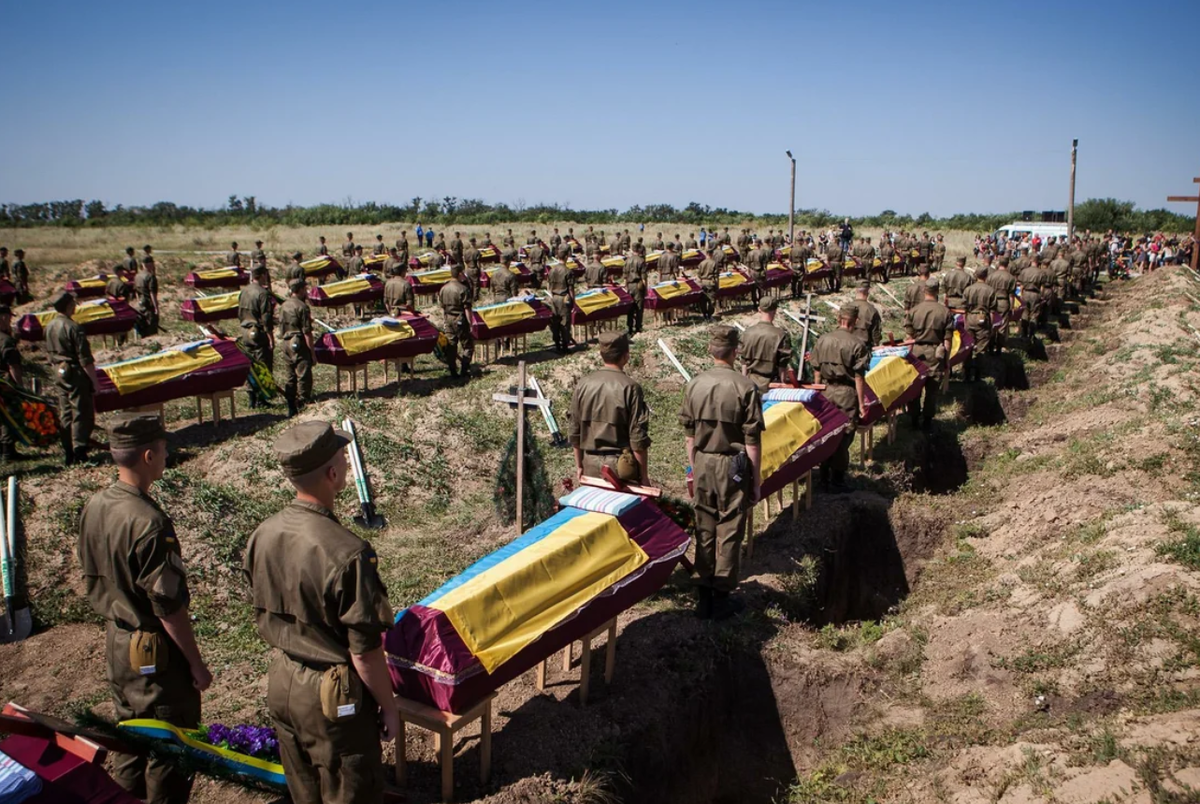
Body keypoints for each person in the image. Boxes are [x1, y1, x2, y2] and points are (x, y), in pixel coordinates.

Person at [244, 421, 396, 804]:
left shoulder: (264, 533)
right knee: (350, 789)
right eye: (342, 459)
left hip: (282, 679)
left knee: (304, 788)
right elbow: (363, 650)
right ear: (332, 473)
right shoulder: (348, 552)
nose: (346, 464)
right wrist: (389, 707)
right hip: (333, 696)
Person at [78, 412, 210, 804]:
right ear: (149, 456)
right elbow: (168, 607)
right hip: (154, 651)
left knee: (130, 737)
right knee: (170, 744)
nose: (168, 455)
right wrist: (196, 664)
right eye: (165, 449)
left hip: (118, 643)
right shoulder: (149, 522)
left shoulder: (97, 505)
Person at [679, 325, 764, 620]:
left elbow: (689, 436)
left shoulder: (694, 385)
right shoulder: (745, 387)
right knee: (729, 526)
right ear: (735, 351)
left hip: (702, 460)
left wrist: (694, 467)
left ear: (709, 350)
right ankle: (722, 593)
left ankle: (702, 589)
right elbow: (752, 441)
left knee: (704, 523)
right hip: (733, 464)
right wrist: (756, 480)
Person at [569, 331, 650, 485]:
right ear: (626, 356)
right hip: (622, 467)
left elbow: (574, 430)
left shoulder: (583, 384)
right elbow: (637, 438)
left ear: (601, 354)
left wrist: (579, 465)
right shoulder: (631, 387)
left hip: (590, 464)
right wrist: (644, 476)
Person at [810, 306, 868, 492]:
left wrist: (817, 395)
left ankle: (824, 475)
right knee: (844, 436)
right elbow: (859, 377)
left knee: (826, 433)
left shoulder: (823, 340)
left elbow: (816, 371)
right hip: (846, 393)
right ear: (855, 321)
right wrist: (861, 404)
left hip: (825, 390)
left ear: (838, 318)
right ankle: (838, 480)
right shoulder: (857, 344)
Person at [45, 292, 97, 463]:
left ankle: (68, 450)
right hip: (74, 372)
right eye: (73, 304)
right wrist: (95, 382)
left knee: (65, 411)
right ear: (68, 306)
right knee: (81, 411)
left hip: (58, 371)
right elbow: (85, 360)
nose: (75, 306)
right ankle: (80, 450)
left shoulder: (49, 326)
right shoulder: (73, 328)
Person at [905, 279, 953, 430]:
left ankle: (913, 418)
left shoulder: (914, 311)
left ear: (924, 291)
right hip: (935, 353)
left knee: (915, 387)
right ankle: (927, 421)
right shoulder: (945, 312)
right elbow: (947, 340)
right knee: (932, 390)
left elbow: (908, 338)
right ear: (937, 291)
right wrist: (947, 361)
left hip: (917, 353)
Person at [238, 266, 276, 408]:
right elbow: (266, 319)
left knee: (250, 366)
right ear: (261, 275)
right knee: (262, 365)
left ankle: (251, 398)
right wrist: (271, 337)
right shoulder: (263, 293)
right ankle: (261, 399)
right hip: (258, 333)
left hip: (245, 331)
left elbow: (239, 313)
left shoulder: (244, 291)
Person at [740, 297, 793, 391]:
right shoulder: (780, 335)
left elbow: (744, 361)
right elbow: (782, 364)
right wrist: (783, 383)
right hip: (772, 385)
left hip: (751, 382)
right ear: (775, 310)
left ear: (759, 309)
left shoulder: (747, 333)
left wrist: (744, 382)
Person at [278, 279, 314, 417]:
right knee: (303, 374)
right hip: (298, 341)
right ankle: (303, 404)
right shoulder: (302, 307)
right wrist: (312, 353)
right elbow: (307, 332)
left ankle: (291, 406)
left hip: (286, 342)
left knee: (290, 376)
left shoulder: (284, 305)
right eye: (305, 289)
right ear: (299, 290)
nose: (306, 292)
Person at [0, 305, 26, 461]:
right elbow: (13, 366)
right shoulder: (6, 340)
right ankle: (8, 452)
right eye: (8, 318)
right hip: (4, 383)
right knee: (8, 417)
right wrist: (19, 387)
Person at [439, 264, 473, 378]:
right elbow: (467, 308)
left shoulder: (444, 288)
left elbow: (442, 306)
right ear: (459, 274)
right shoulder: (463, 289)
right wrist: (471, 323)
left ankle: (453, 371)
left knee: (451, 345)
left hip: (448, 318)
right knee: (467, 345)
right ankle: (464, 369)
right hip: (460, 318)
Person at [962, 268, 997, 381]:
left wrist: (965, 322)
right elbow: (992, 311)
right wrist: (991, 326)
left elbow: (964, 309)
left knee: (968, 348)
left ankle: (966, 374)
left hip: (970, 317)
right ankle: (977, 375)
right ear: (986, 276)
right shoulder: (990, 290)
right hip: (983, 318)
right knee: (981, 349)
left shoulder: (968, 289)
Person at [985, 256, 1018, 354]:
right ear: (1007, 265)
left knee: (992, 324)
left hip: (992, 301)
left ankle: (990, 347)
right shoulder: (1010, 278)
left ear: (998, 264)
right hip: (1004, 302)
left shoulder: (991, 276)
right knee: (1002, 326)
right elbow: (1011, 295)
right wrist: (1012, 308)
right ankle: (999, 348)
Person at [546, 253, 575, 353]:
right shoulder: (568, 271)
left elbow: (548, 286)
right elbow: (571, 289)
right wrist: (573, 301)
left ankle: (557, 344)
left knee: (555, 322)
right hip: (564, 298)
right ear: (566, 257)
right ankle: (565, 346)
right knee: (565, 322)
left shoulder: (552, 270)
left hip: (553, 297)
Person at [134, 249, 160, 336]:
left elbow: (136, 292)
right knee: (151, 331)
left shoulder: (137, 276)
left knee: (143, 330)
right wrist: (156, 307)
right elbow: (152, 293)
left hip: (140, 305)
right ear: (149, 264)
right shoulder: (150, 277)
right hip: (149, 305)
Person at [623, 243, 647, 335]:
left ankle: (629, 327)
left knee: (630, 308)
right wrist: (645, 289)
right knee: (639, 308)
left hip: (629, 285)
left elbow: (625, 276)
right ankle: (638, 327)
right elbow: (644, 277)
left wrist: (626, 287)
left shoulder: (627, 261)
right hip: (638, 285)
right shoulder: (641, 261)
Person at [850, 280, 882, 349]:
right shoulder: (871, 310)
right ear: (867, 292)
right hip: (863, 348)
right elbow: (876, 334)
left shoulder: (845, 307)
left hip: (846, 345)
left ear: (856, 290)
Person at [696, 245, 719, 321]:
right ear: (712, 254)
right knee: (711, 300)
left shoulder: (701, 263)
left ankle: (704, 314)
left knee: (703, 300)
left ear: (706, 254)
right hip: (711, 282)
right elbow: (716, 276)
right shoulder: (714, 263)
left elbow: (698, 275)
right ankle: (709, 315)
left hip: (703, 282)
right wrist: (717, 285)